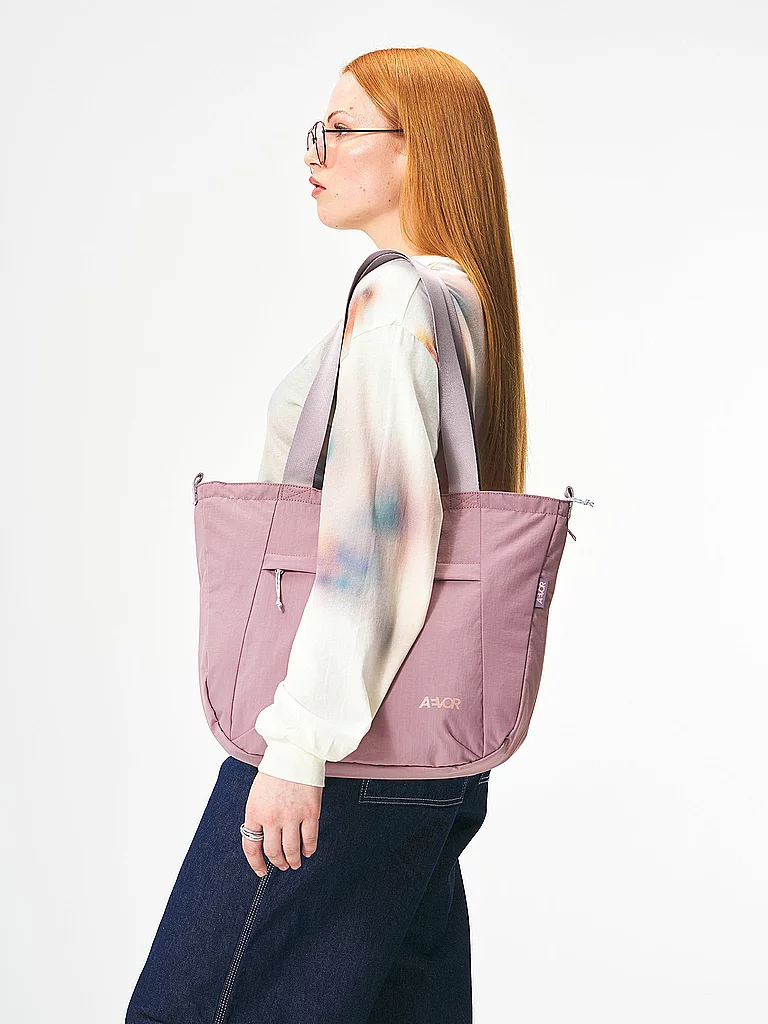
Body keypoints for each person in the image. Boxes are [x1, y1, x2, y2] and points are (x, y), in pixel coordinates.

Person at [126, 45, 527, 1024]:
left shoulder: (396, 301)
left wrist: (299, 745)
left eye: (341, 130)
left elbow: (375, 538)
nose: (316, 151)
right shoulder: (462, 297)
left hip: (348, 749)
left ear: (418, 149)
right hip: (427, 761)